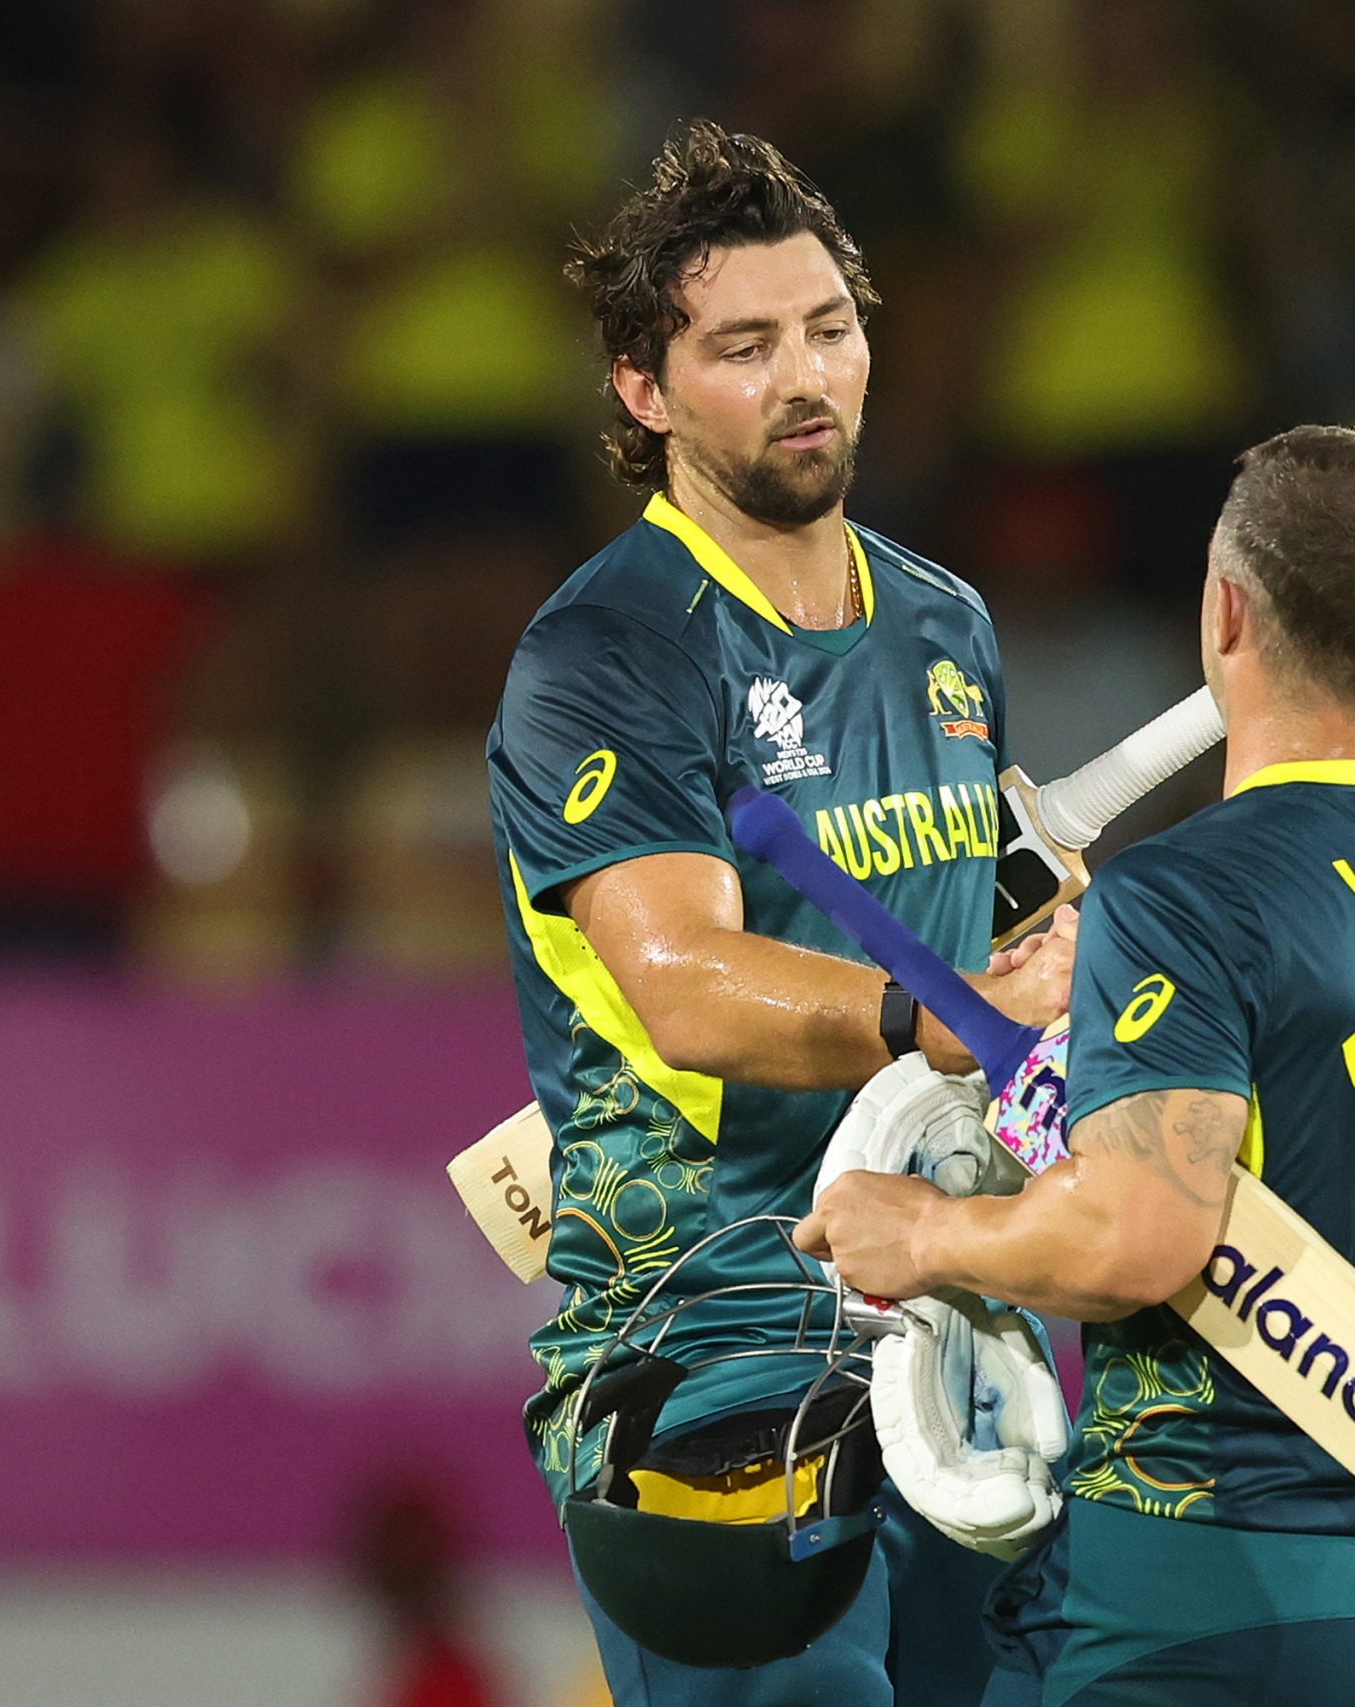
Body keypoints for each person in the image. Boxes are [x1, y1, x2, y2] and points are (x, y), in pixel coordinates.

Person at [801, 426, 1355, 1705]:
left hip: (1200, 1588)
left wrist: (926, 1232)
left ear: (1220, 615)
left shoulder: (1186, 894)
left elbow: (1135, 1239)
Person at [485, 121, 1071, 1705]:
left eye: (829, 327)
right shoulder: (608, 649)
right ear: (643, 390)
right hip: (718, 1336)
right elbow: (678, 981)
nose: (805, 375)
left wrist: (1061, 940)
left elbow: (983, 896)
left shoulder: (941, 617)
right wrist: (925, 1005)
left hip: (956, 1305)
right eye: (744, 346)